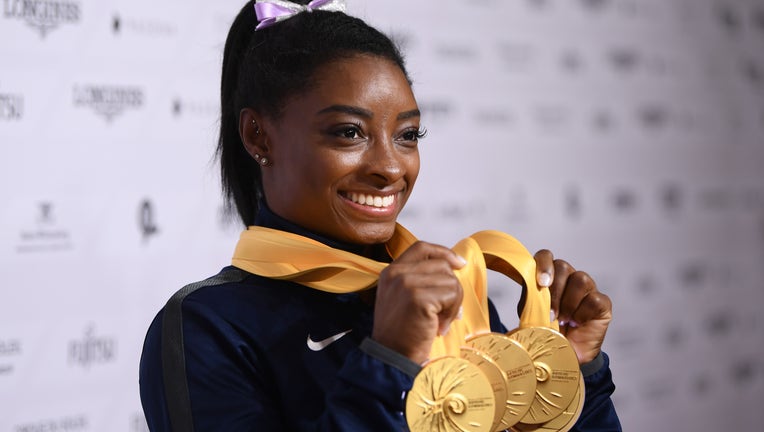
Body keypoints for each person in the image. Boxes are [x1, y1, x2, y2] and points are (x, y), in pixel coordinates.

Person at [139, 1, 622, 430]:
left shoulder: (458, 298)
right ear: (259, 137)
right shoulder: (205, 328)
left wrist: (572, 371)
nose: (391, 167)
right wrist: (389, 363)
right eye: (350, 132)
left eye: (409, 135)